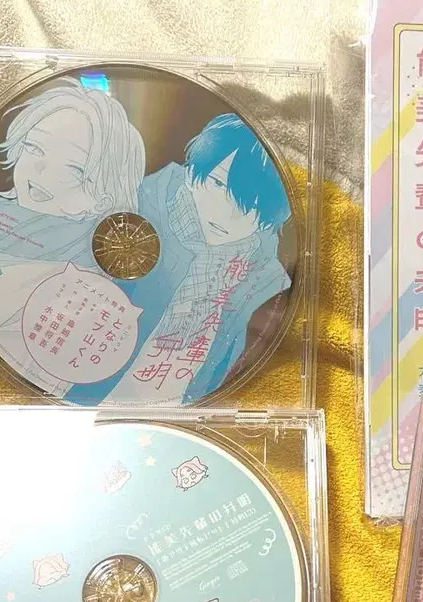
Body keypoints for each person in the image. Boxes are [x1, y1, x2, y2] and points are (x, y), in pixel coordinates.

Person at [71, 113, 292, 404]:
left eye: (251, 205)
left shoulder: (266, 282)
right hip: (78, 389)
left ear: (269, 218)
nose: (226, 213)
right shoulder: (134, 205)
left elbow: (235, 370)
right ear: (192, 174)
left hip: (188, 414)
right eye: (217, 184)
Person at [0, 79, 145, 394]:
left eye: (74, 169)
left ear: (104, 199)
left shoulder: (81, 296)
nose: (42, 170)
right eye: (34, 147)